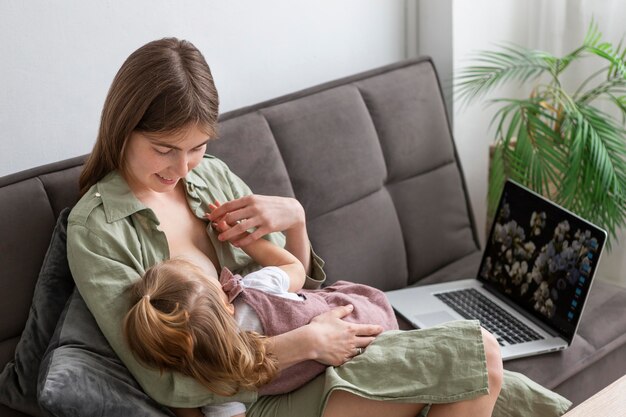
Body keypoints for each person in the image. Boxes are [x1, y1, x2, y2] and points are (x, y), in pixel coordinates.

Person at [66, 37, 572, 417]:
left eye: (196, 147)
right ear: (123, 125)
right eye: (163, 149)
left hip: (315, 355)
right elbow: (168, 385)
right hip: (249, 399)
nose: (182, 167)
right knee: (477, 356)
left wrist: (298, 223)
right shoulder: (98, 228)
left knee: (527, 402)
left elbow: (291, 289)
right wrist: (304, 344)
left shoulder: (211, 177)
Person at [123, 211, 400, 416]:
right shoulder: (254, 286)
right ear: (227, 302)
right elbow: (295, 268)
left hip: (344, 367)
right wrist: (247, 241)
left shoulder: (215, 383)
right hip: (368, 314)